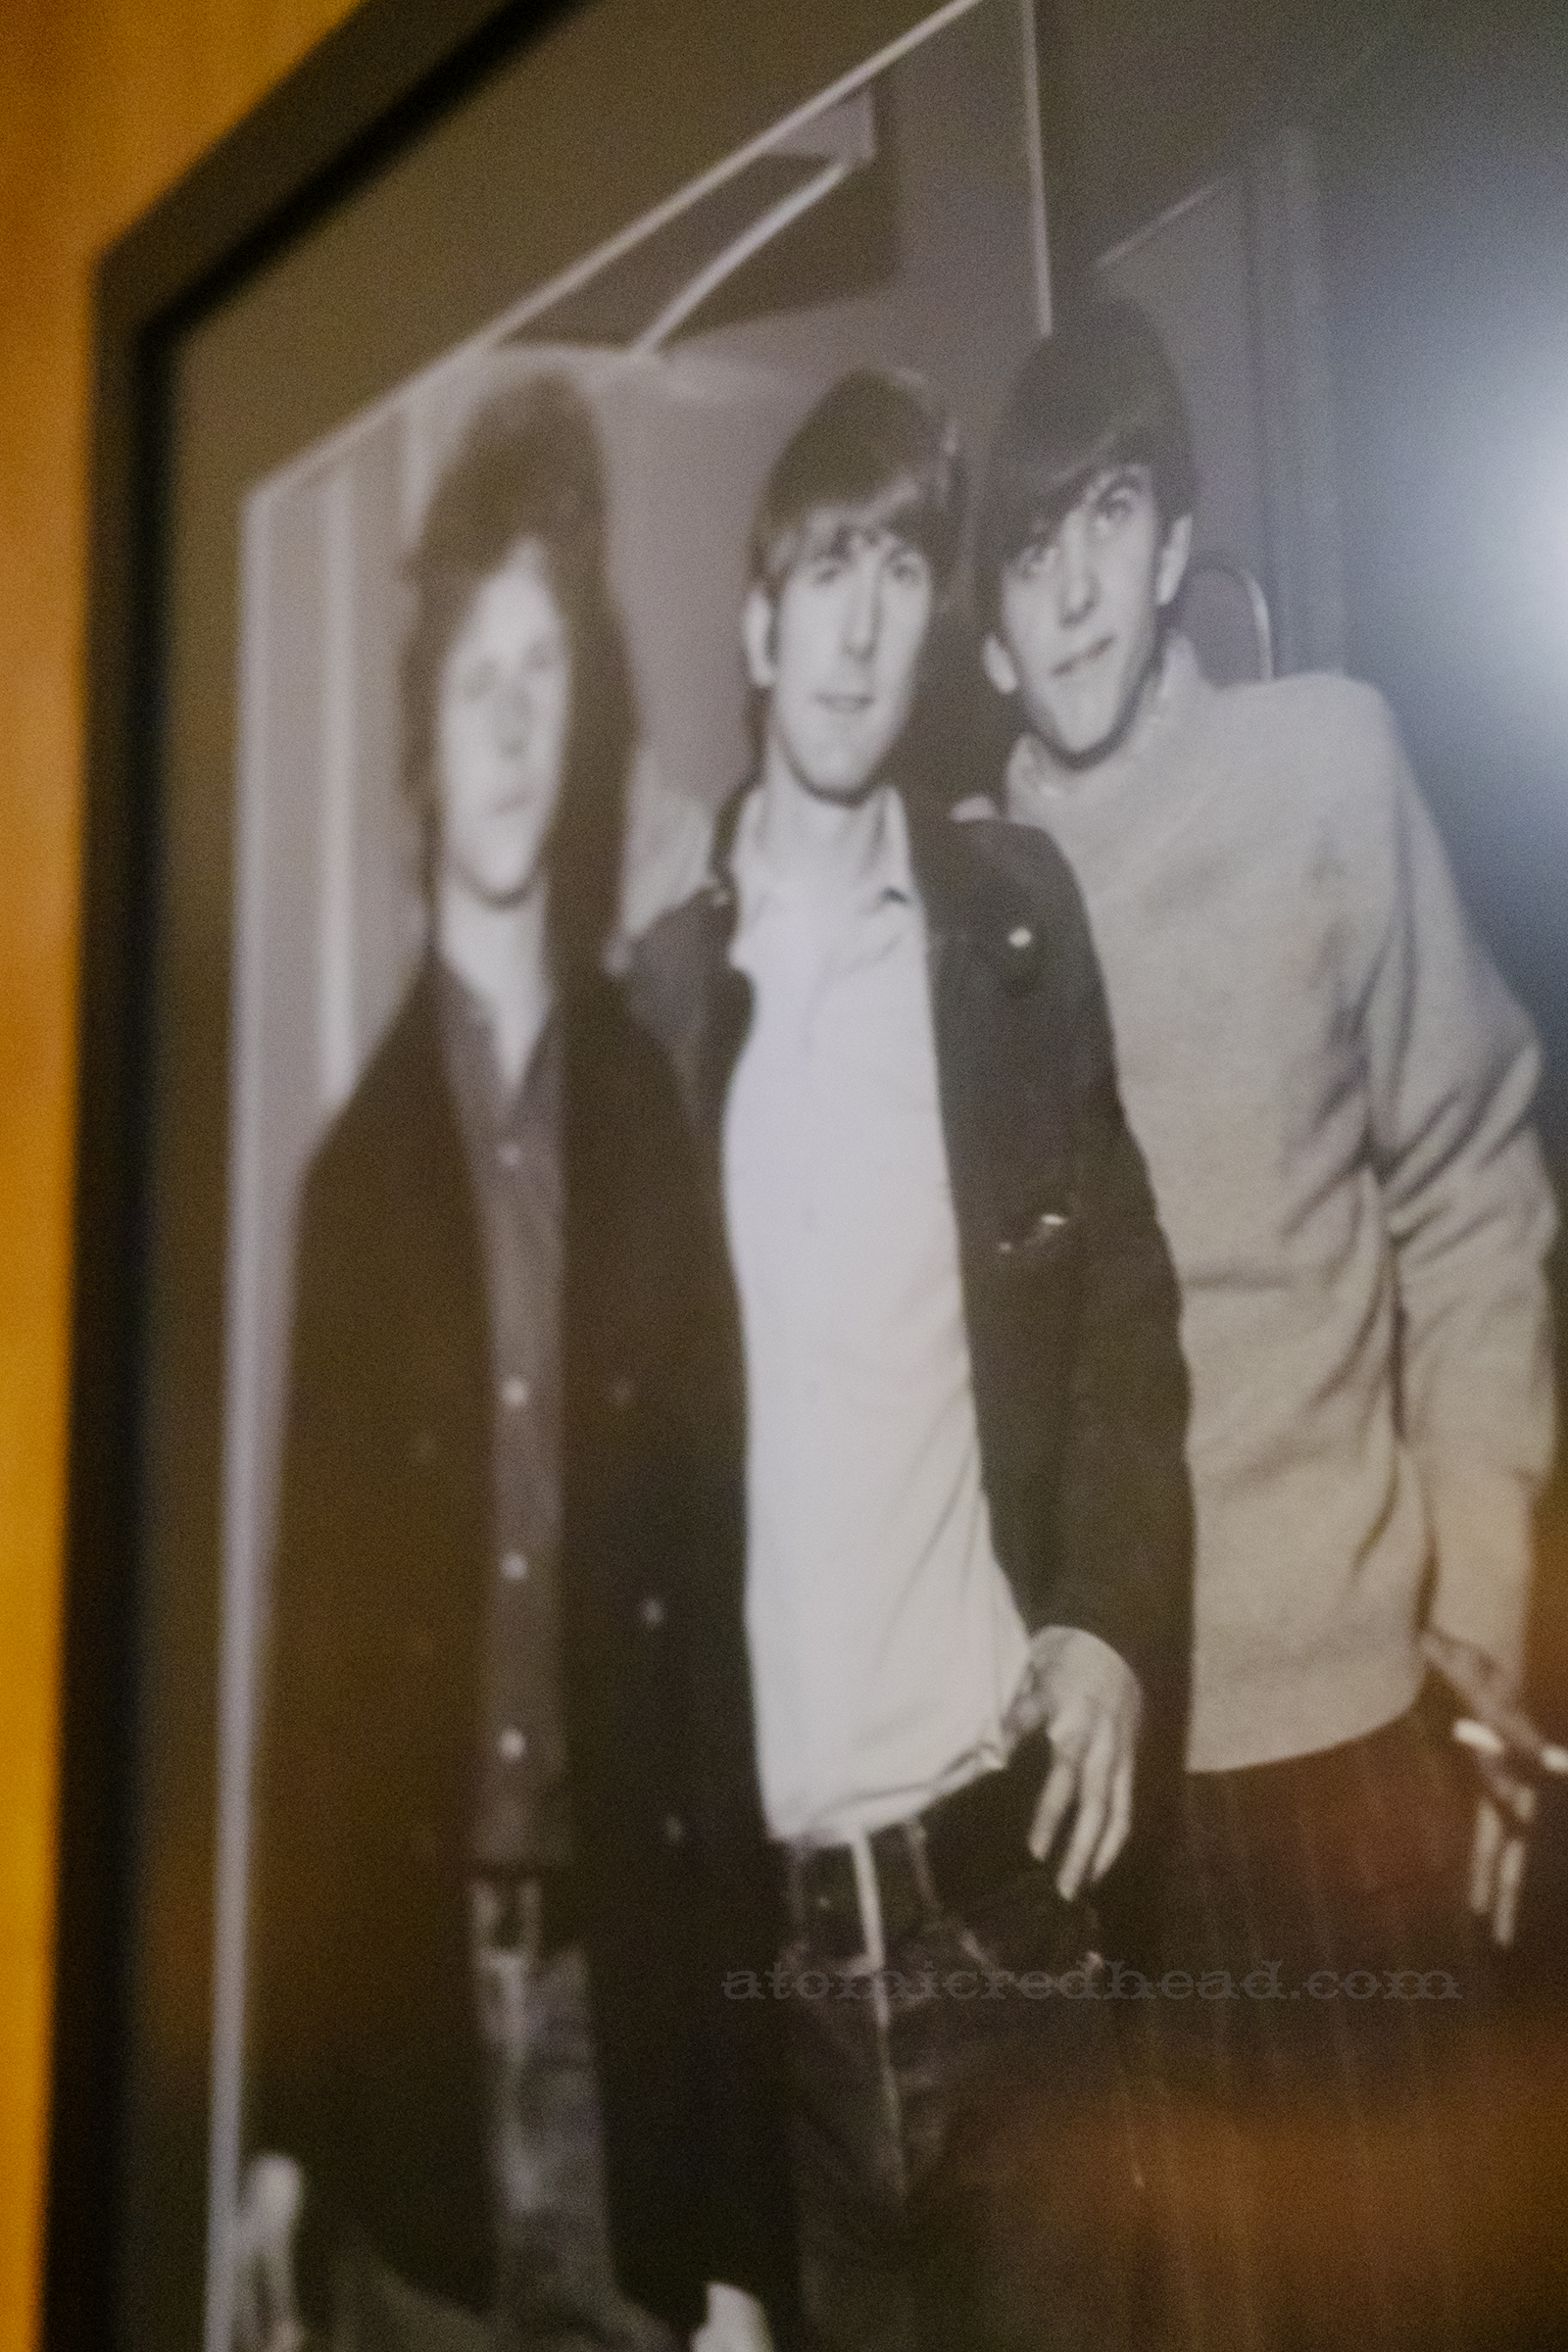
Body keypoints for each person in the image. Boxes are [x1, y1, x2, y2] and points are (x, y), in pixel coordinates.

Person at [969, 299, 1559, 2351]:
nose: (1067, 588)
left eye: (1101, 523)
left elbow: (1476, 1174)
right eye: (1022, 547)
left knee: (1421, 2287)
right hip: (1101, 1790)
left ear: (1166, 539)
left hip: (1356, 1747)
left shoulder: (1328, 763)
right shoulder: (978, 899)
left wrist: (1479, 1610)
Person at [626, 369, 1193, 2352]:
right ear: (758, 625)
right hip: (771, 1999)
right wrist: (687, 2209)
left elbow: (1125, 1311)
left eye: (896, 573)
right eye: (822, 573)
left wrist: (1114, 1620)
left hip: (1004, 1920)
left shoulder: (1008, 935)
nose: (860, 622)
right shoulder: (652, 1027)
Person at [239, 376, 795, 2352]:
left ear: (577, 733)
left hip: (620, 2049)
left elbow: (708, 1677)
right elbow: (312, 1703)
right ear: (419, 731)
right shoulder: (345, 1187)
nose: (503, 713)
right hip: (409, 2078)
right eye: (470, 669)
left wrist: (736, 2230)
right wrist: (286, 2141)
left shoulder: (645, 1121)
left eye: (540, 668)